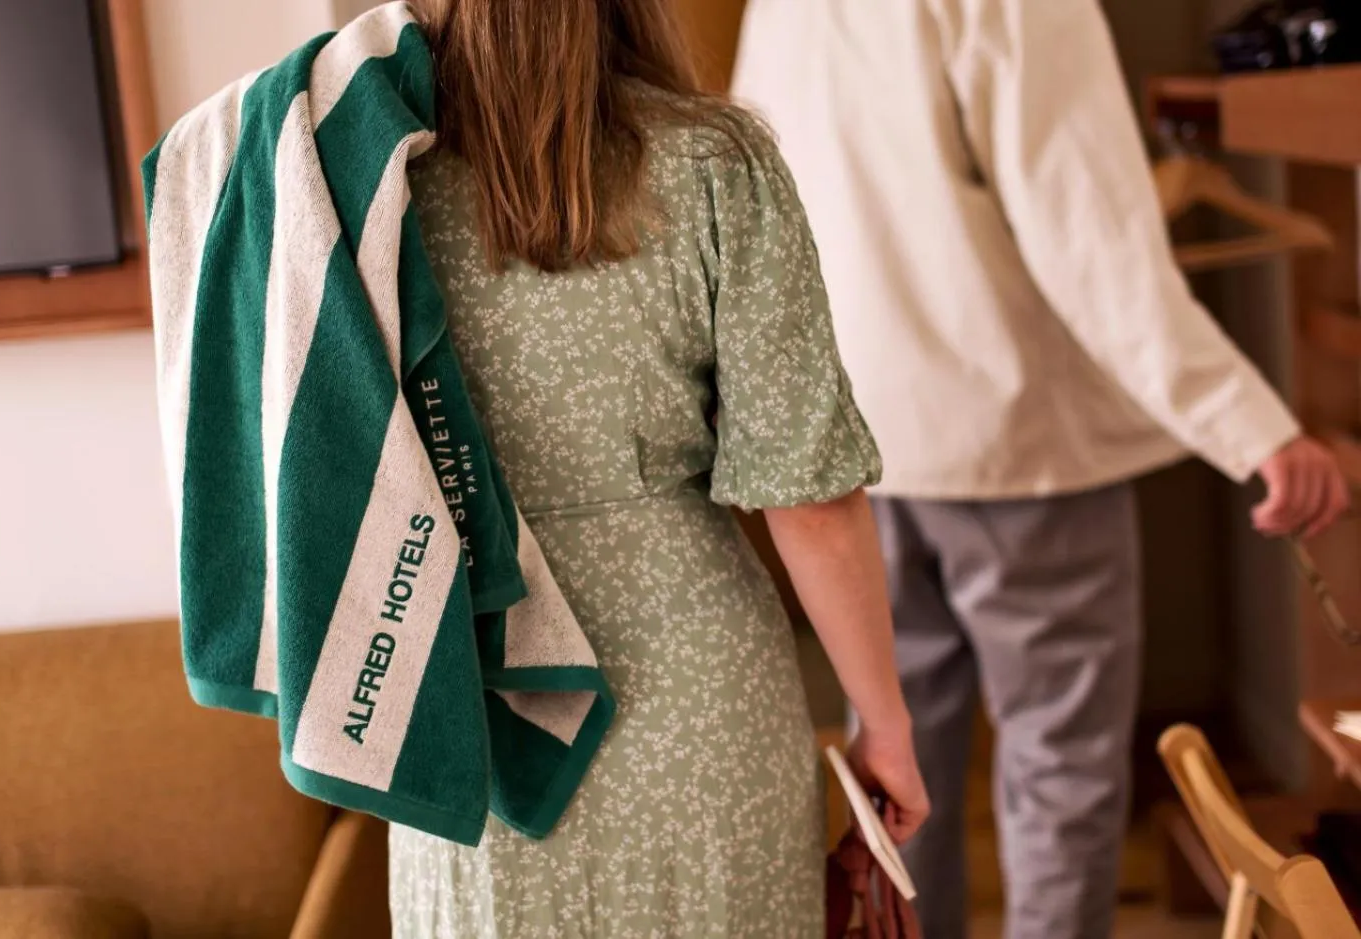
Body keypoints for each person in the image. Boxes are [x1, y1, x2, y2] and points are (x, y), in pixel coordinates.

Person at [730, 1, 1350, 938]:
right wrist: (1253, 428)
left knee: (898, 778)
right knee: (1059, 774)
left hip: (854, 443)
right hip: (1014, 444)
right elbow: (1090, 237)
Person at [388, 1, 930, 936]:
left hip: (467, 691)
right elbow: (809, 495)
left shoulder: (368, 178)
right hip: (701, 688)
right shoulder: (715, 160)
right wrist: (882, 722)